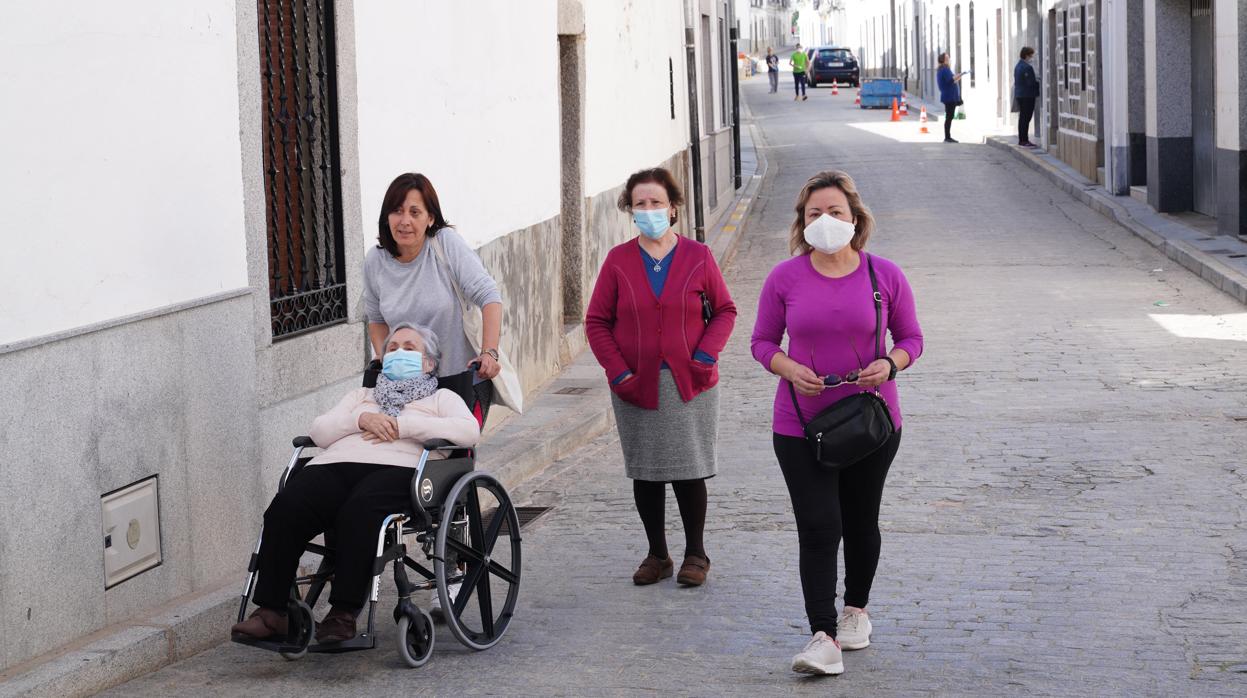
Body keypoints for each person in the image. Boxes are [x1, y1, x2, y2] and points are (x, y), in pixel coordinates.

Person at [750, 170, 923, 676]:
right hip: (799, 423)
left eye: (835, 212)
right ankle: (822, 635)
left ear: (855, 219)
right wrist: (788, 368)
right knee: (820, 526)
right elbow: (762, 343)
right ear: (801, 224)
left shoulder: (883, 275)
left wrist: (891, 363)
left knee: (860, 520)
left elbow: (912, 338)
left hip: (871, 421)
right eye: (813, 214)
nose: (825, 221)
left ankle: (855, 611)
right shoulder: (784, 278)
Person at [231, 324, 480, 644]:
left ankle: (342, 614)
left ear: (429, 363)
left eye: (408, 348)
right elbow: (319, 431)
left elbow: (467, 431)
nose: (398, 353)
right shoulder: (362, 396)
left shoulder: (441, 397)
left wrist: (403, 426)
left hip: (399, 467)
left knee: (361, 510)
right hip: (336, 464)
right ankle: (271, 612)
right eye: (391, 349)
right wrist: (360, 419)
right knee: (286, 507)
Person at [585, 167, 737, 587]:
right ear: (630, 211)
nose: (648, 210)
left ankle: (696, 553)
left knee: (689, 469)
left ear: (672, 208)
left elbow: (725, 310)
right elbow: (597, 321)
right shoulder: (618, 261)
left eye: (656, 203)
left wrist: (705, 356)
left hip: (690, 381)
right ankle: (657, 554)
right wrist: (619, 373)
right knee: (646, 471)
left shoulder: (698, 256)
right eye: (640, 204)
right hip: (637, 383)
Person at [364, 173, 503, 426]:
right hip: (404, 388)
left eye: (415, 212)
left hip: (458, 381)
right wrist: (388, 357)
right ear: (387, 217)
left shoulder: (444, 244)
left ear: (430, 218)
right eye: (397, 211)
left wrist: (489, 353)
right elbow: (376, 320)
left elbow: (489, 296)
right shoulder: (375, 260)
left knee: (450, 454)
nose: (405, 221)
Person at [1014, 46, 1041, 148]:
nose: (1032, 58)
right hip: (1027, 96)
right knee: (1026, 117)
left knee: (1022, 118)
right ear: (1026, 55)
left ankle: (1022, 139)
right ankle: (1024, 140)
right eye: (1031, 55)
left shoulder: (1018, 66)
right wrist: (1038, 82)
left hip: (1020, 95)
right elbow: (1031, 83)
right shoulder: (1027, 67)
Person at [936, 52, 963, 143]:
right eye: (947, 58)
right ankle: (947, 137)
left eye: (948, 58)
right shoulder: (945, 69)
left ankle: (948, 136)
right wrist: (959, 75)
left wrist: (958, 77)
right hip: (949, 96)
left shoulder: (942, 69)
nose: (949, 59)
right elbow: (951, 80)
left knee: (949, 116)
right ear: (943, 60)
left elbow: (951, 81)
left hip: (949, 96)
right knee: (949, 117)